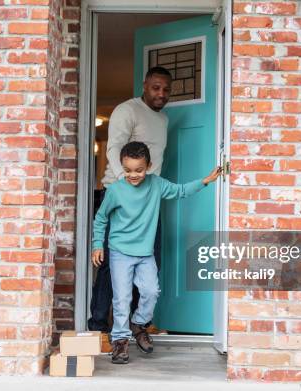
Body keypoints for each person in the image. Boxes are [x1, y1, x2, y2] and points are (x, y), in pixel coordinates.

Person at [91, 141, 221, 364]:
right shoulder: (115, 191)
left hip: (144, 253)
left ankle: (139, 324)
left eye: (139, 170)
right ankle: (120, 342)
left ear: (148, 166)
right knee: (121, 298)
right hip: (119, 252)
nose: (133, 175)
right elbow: (101, 218)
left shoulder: (156, 184)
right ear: (122, 167)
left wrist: (205, 181)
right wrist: (97, 245)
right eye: (128, 170)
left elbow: (180, 191)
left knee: (151, 291)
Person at [88, 66, 173, 344]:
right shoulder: (127, 110)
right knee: (112, 267)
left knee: (148, 263)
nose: (161, 93)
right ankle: (98, 327)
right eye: (156, 87)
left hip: (148, 201)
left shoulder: (163, 119)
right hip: (120, 197)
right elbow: (114, 149)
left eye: (165, 89)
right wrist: (125, 186)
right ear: (144, 84)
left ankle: (140, 324)